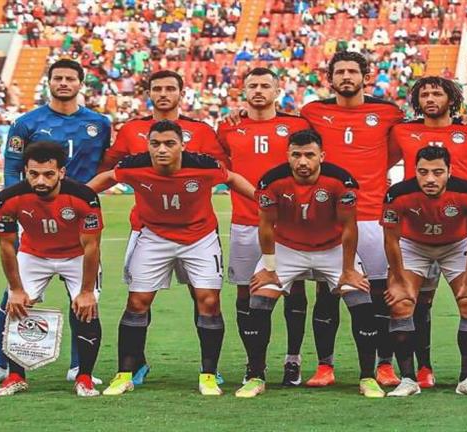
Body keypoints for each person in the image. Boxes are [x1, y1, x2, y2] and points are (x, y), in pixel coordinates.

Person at [88, 120, 255, 396]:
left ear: (182, 146)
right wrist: (79, 196)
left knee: (209, 302)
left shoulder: (203, 165)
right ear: (148, 145)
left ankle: (208, 375)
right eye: (155, 144)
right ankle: (124, 375)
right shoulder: (134, 165)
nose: (162, 149)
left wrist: (260, 199)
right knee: (137, 302)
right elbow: (107, 177)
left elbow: (233, 179)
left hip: (199, 238)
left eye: (169, 144)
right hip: (154, 238)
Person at [0, 59, 111, 388]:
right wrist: (20, 209)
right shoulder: (26, 123)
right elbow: (12, 167)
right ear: (49, 82)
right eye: (57, 78)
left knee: (83, 297)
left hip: (78, 213)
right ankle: (0, 363)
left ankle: (79, 367)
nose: (64, 83)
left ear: (80, 84)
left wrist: (85, 196)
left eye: (70, 78)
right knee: (15, 294)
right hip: (35, 213)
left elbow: (104, 165)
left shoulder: (99, 123)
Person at [97, 69, 228, 387]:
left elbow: (222, 169)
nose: (164, 93)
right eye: (157, 88)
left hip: (197, 230)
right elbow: (109, 167)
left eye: (171, 88)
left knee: (204, 295)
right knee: (140, 297)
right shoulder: (132, 129)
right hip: (146, 228)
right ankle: (135, 364)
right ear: (149, 93)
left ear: (182, 93)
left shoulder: (201, 130)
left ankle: (210, 369)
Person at [234, 129, 384, 399]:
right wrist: (269, 268)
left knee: (362, 303)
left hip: (332, 249)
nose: (302, 161)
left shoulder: (341, 181)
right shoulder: (271, 181)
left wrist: (348, 270)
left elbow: (349, 227)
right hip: (287, 249)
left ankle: (367, 377)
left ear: (321, 156)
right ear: (287, 156)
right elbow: (266, 226)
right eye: (296, 155)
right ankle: (256, 376)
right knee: (258, 302)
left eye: (309, 155)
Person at [298, 51, 405, 387]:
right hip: (328, 218)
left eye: (353, 71)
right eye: (340, 71)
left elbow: (401, 146)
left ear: (365, 76)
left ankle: (384, 365)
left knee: (378, 292)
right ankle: (325, 367)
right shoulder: (313, 112)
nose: (346, 76)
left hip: (372, 216)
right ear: (330, 77)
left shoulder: (388, 112)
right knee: (327, 293)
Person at [387, 76, 467, 389]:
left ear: (452, 99)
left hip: (461, 231)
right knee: (418, 302)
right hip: (416, 229)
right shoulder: (403, 131)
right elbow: (377, 162)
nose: (430, 99)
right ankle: (422, 368)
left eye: (437, 93)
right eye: (424, 94)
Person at [216, 68, 311, 386]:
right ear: (243, 91)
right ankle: (254, 363)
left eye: (265, 85)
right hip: (246, 223)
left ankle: (293, 360)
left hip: (289, 224)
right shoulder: (228, 127)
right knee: (246, 292)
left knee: (294, 288)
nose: (259, 90)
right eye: (252, 85)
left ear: (277, 90)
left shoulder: (296, 126)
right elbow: (224, 171)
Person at [0, 142, 103, 397]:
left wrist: (86, 292)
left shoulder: (84, 197)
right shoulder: (7, 199)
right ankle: (16, 376)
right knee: (16, 305)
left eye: (48, 174)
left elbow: (92, 246)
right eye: (34, 174)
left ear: (61, 172)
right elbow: (6, 246)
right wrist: (16, 289)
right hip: (34, 254)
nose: (40, 180)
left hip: (76, 255)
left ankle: (84, 377)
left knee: (87, 309)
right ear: (25, 172)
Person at [382, 146, 467, 397]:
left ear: (449, 171)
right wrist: (398, 279)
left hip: (456, 245)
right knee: (400, 302)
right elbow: (391, 240)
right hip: (413, 245)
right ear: (415, 171)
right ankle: (408, 380)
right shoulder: (397, 194)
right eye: (423, 172)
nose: (430, 179)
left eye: (437, 172)